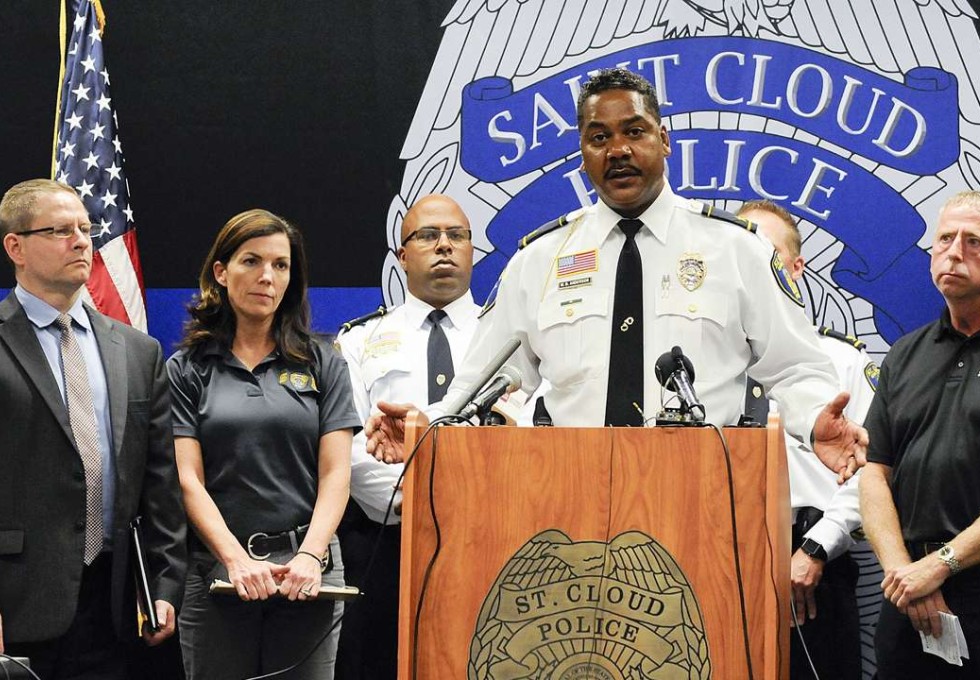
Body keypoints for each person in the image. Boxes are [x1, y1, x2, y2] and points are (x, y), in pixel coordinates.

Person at [364, 68, 867, 478]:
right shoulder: (539, 260)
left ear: (664, 140)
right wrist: (423, 425)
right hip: (568, 491)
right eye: (598, 137)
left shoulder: (736, 249)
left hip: (700, 490)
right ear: (582, 153)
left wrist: (815, 421)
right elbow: (481, 384)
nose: (618, 150)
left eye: (634, 131)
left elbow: (795, 367)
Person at [0, 179, 186, 678]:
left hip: (119, 603)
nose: (81, 241)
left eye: (85, 228)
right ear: (15, 246)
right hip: (16, 604)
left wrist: (165, 585)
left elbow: (160, 482)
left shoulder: (138, 350)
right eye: (61, 230)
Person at [167, 209, 361, 679]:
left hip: (309, 576)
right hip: (219, 572)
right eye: (251, 261)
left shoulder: (322, 361)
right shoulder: (187, 367)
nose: (266, 277)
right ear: (221, 272)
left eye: (280, 265)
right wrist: (235, 559)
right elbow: (186, 478)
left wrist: (311, 557)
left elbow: (336, 472)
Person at [860, 190, 980, 678]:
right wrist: (904, 574)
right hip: (907, 595)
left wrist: (943, 564)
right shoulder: (905, 354)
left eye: (974, 243)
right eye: (944, 240)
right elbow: (873, 473)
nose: (954, 252)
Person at [334, 194, 479, 679]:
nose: (444, 246)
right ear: (402, 256)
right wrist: (420, 504)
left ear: (472, 250)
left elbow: (523, 433)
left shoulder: (512, 336)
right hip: (385, 545)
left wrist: (466, 506)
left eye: (456, 235)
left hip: (489, 535)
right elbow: (351, 450)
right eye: (428, 236)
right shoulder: (358, 340)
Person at [739, 199, 878, 680]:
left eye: (768, 252)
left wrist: (816, 549)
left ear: (797, 269)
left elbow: (869, 471)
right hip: (719, 552)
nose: (754, 264)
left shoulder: (839, 363)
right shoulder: (701, 367)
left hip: (816, 563)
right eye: (742, 251)